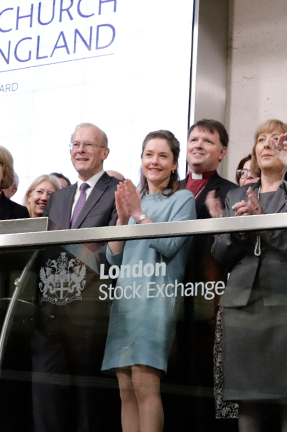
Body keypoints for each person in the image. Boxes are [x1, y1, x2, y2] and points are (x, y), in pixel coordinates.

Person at [103, 130, 195, 432]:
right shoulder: (134, 203)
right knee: (125, 389)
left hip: (155, 299)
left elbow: (170, 245)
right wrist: (121, 219)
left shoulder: (183, 198)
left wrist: (138, 214)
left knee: (145, 384)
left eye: (162, 156)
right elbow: (114, 259)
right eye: (149, 155)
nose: (154, 161)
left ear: (174, 164)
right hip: (125, 302)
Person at [36, 123, 122, 432]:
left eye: (88, 145)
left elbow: (111, 249)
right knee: (49, 402)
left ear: (104, 152)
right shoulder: (59, 197)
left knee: (90, 405)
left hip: (90, 312)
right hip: (51, 313)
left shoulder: (117, 191)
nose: (80, 150)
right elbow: (50, 252)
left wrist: (80, 257)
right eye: (75, 144)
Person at [211, 119, 287, 432]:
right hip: (242, 305)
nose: (267, 144)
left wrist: (264, 225)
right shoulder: (237, 195)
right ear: (254, 152)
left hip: (283, 302)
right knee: (247, 397)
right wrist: (238, 232)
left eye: (276, 139)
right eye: (261, 139)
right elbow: (220, 252)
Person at [171, 119, 238, 428]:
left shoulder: (232, 192)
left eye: (208, 141)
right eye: (194, 139)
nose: (198, 145)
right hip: (166, 296)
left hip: (206, 299)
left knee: (202, 381)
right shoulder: (168, 189)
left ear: (222, 152)